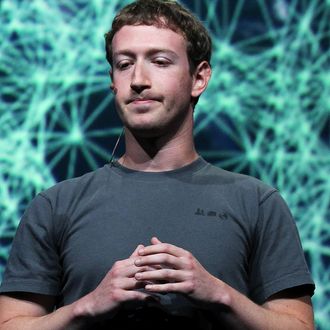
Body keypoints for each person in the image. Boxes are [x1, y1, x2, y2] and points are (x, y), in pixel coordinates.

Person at [0, 0, 315, 329]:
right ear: (112, 81)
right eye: (124, 64)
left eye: (160, 61)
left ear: (199, 78)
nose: (137, 79)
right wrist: (89, 305)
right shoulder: (55, 205)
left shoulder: (257, 203)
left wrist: (219, 294)